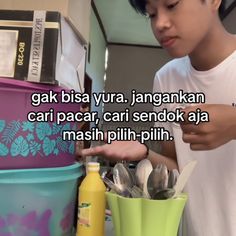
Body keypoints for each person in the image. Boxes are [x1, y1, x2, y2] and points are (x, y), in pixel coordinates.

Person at [78, 0, 236, 235]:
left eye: (172, 5)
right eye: (151, 14)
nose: (160, 24)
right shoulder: (167, 78)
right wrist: (144, 152)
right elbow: (180, 172)